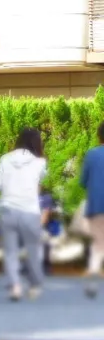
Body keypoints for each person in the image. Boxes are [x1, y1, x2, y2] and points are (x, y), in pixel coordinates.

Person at [0, 127, 48, 302]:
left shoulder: (5, 159)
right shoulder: (40, 163)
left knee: (10, 251)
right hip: (30, 211)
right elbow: (41, 182)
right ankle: (34, 286)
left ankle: (15, 286)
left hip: (8, 209)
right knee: (33, 250)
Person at [79, 121, 104, 299]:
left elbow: (83, 182)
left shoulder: (91, 155)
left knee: (98, 244)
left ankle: (92, 278)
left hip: (96, 206)